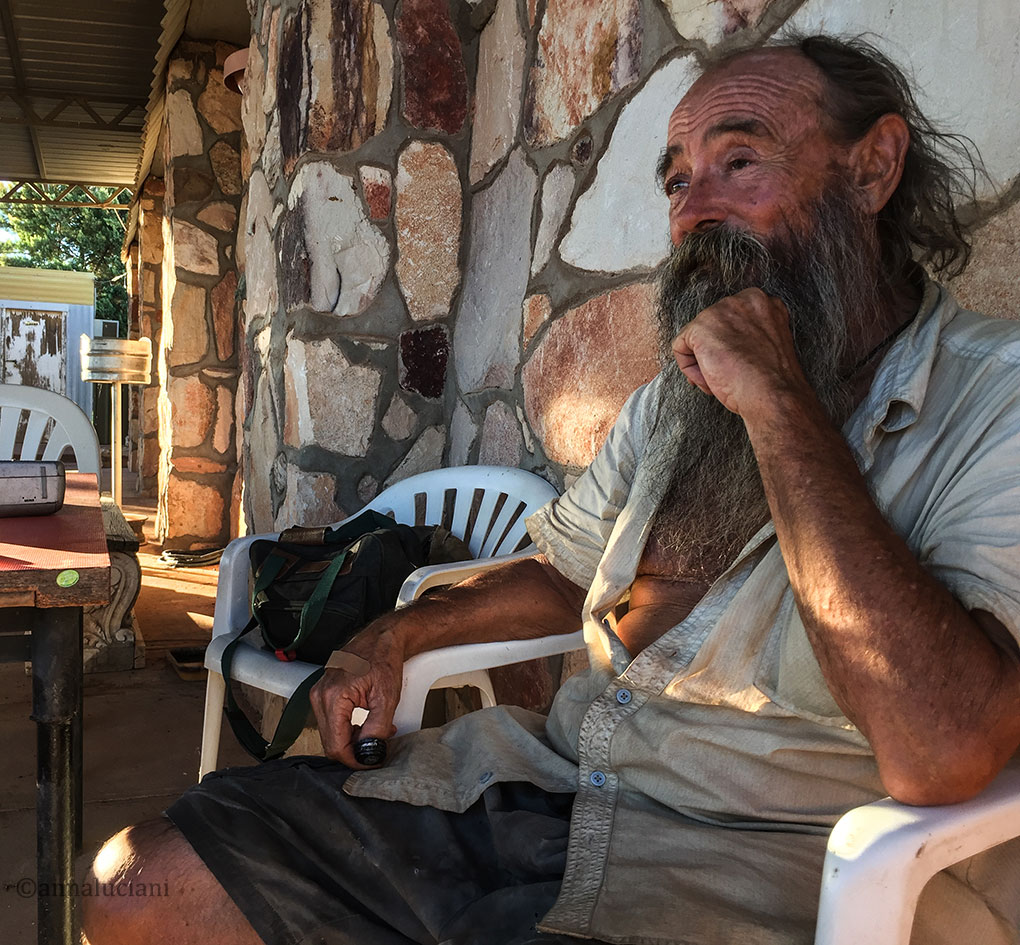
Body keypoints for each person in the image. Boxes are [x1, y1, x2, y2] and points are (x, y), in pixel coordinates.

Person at [83, 34, 1020, 945]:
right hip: (551, 782)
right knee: (137, 883)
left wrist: (779, 401)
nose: (694, 213)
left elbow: (943, 747)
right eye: (676, 181)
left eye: (739, 162)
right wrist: (396, 632)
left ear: (872, 169)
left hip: (749, 862)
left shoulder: (994, 400)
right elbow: (564, 569)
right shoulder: (675, 403)